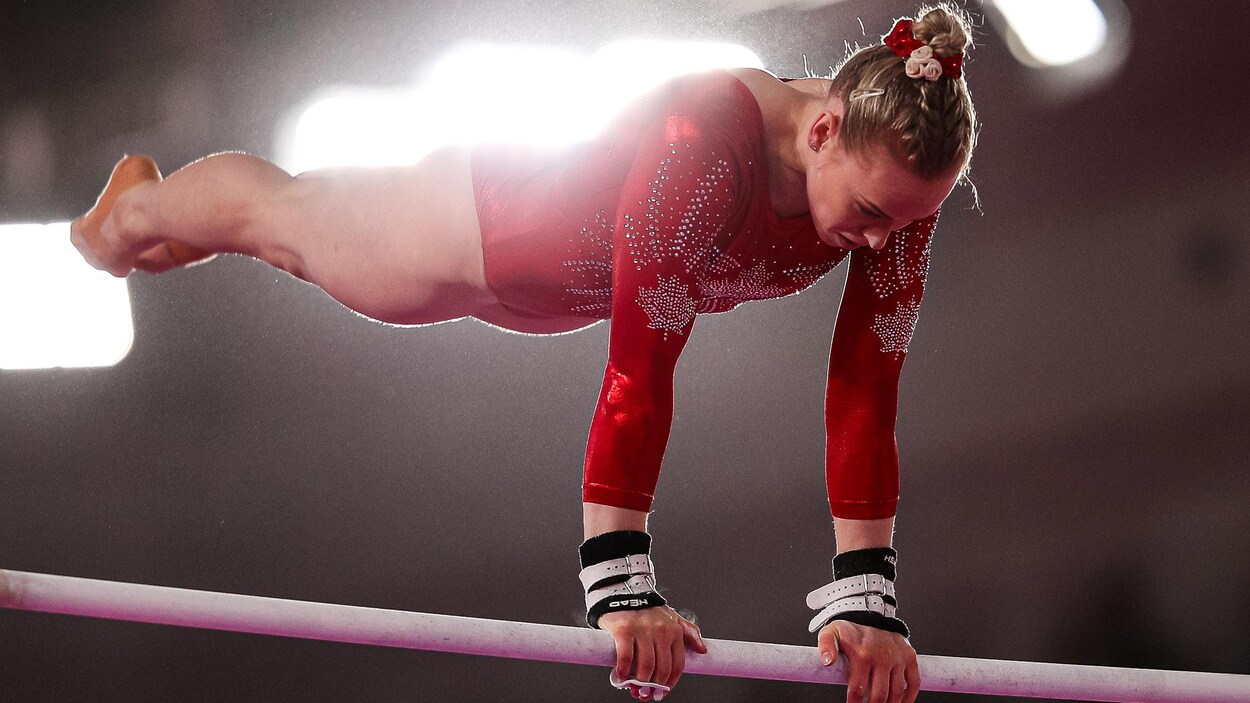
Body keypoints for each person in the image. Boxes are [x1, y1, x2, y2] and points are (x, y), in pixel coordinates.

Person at [70, 4, 977, 702]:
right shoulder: (714, 134)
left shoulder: (889, 197)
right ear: (821, 129)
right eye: (868, 214)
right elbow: (643, 361)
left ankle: (173, 217)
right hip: (485, 224)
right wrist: (621, 582)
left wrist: (867, 597)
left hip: (559, 297)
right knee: (289, 229)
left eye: (904, 222)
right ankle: (132, 212)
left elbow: (867, 380)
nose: (878, 241)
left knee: (292, 237)